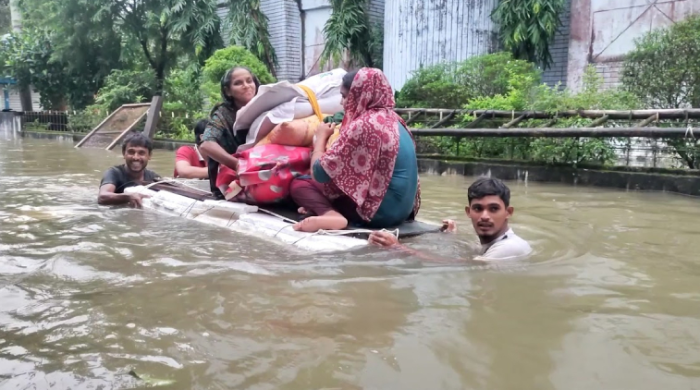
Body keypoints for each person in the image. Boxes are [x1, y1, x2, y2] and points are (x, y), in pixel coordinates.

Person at [289, 68, 421, 232]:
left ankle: (330, 215)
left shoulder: (363, 124)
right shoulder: (396, 120)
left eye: (344, 96)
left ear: (360, 95)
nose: (342, 103)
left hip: (379, 215)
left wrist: (321, 138)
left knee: (301, 183)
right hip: (403, 213)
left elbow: (319, 173)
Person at [369, 177, 532, 261]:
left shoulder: (508, 248)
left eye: (494, 209)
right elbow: (468, 254)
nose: (484, 216)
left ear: (508, 212)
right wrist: (451, 236)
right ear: (468, 212)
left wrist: (398, 248)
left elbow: (457, 265)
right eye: (478, 208)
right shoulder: (491, 242)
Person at [199, 67, 261, 193]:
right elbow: (206, 144)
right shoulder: (222, 114)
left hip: (259, 172)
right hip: (229, 180)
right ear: (228, 91)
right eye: (238, 83)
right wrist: (237, 164)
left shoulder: (265, 107)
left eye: (249, 81)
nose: (246, 86)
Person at [98, 132, 162, 208]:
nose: (136, 157)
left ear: (149, 156)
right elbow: (102, 197)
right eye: (131, 152)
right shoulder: (114, 173)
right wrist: (128, 197)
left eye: (141, 153)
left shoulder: (154, 179)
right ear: (124, 153)